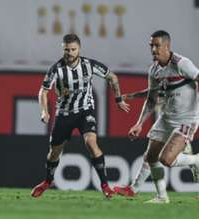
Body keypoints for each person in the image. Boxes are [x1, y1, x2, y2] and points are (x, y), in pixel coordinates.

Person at [31, 33, 130, 199]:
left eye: (73, 49)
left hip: (85, 110)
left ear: (79, 49)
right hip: (64, 114)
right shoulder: (57, 69)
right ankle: (48, 181)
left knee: (91, 142)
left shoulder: (89, 65)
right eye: (66, 50)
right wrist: (44, 111)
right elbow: (43, 91)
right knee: (54, 153)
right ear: (62, 49)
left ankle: (105, 185)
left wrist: (118, 98)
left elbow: (112, 77)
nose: (69, 53)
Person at [124, 30, 199, 203]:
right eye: (151, 45)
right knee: (151, 157)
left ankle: (195, 160)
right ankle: (162, 196)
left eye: (157, 45)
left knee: (166, 159)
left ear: (167, 46)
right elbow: (151, 99)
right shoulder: (154, 70)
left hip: (186, 119)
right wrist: (139, 124)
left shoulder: (181, 64)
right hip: (166, 118)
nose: (153, 49)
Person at [113, 88, 199, 197]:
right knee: (150, 155)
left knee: (165, 158)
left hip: (183, 119)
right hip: (170, 119)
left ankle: (195, 160)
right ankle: (134, 189)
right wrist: (130, 96)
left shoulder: (183, 74)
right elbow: (153, 91)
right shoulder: (161, 74)